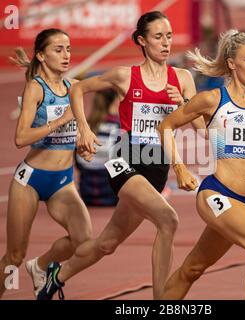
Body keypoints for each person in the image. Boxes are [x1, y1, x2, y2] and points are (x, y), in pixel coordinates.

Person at [37, 11, 204, 300]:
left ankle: (56, 275)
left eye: (169, 36)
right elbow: (77, 88)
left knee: (107, 243)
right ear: (142, 40)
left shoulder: (183, 78)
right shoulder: (126, 76)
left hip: (156, 167)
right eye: (157, 37)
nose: (165, 43)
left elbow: (201, 127)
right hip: (125, 160)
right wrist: (85, 129)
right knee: (168, 220)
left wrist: (186, 103)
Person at [157, 29, 245, 300]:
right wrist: (180, 167)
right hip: (217, 195)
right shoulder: (212, 99)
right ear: (232, 63)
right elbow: (166, 126)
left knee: (193, 268)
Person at [0, 29, 92, 299]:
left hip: (62, 181)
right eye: (58, 50)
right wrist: (59, 122)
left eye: (68, 49)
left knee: (83, 241)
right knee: (14, 255)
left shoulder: (75, 87)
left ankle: (40, 267)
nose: (66, 55)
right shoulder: (35, 88)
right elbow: (20, 137)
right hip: (30, 179)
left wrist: (82, 143)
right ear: (41, 55)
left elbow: (75, 130)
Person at [75, 89, 120, 206]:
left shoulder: (86, 126)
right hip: (112, 195)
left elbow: (79, 163)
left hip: (86, 193)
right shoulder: (118, 127)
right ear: (116, 100)